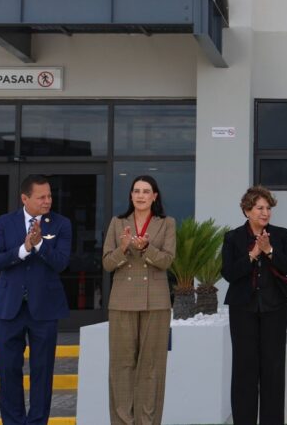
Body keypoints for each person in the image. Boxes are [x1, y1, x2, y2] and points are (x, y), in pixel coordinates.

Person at [0, 174, 72, 425]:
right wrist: (24, 249)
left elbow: (61, 263)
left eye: (49, 196)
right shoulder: (4, 223)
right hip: (8, 308)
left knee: (42, 372)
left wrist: (38, 246)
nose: (48, 201)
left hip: (45, 309)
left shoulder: (61, 224)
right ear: (25, 198)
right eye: (41, 197)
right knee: (8, 371)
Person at [222, 186, 287, 425]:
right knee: (244, 369)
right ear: (247, 210)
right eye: (259, 208)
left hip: (275, 308)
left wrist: (269, 251)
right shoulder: (233, 237)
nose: (265, 212)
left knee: (274, 369)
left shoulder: (282, 235)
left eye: (268, 208)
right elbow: (229, 273)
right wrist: (253, 254)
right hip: (243, 309)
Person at [101, 175, 177, 425]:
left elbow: (167, 261)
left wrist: (145, 249)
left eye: (146, 191)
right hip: (122, 301)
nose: (141, 195)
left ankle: (148, 421)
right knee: (121, 366)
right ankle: (122, 421)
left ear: (155, 196)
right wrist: (123, 248)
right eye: (136, 191)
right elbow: (107, 264)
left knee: (152, 367)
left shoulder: (166, 223)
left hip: (156, 302)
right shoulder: (117, 222)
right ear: (131, 196)